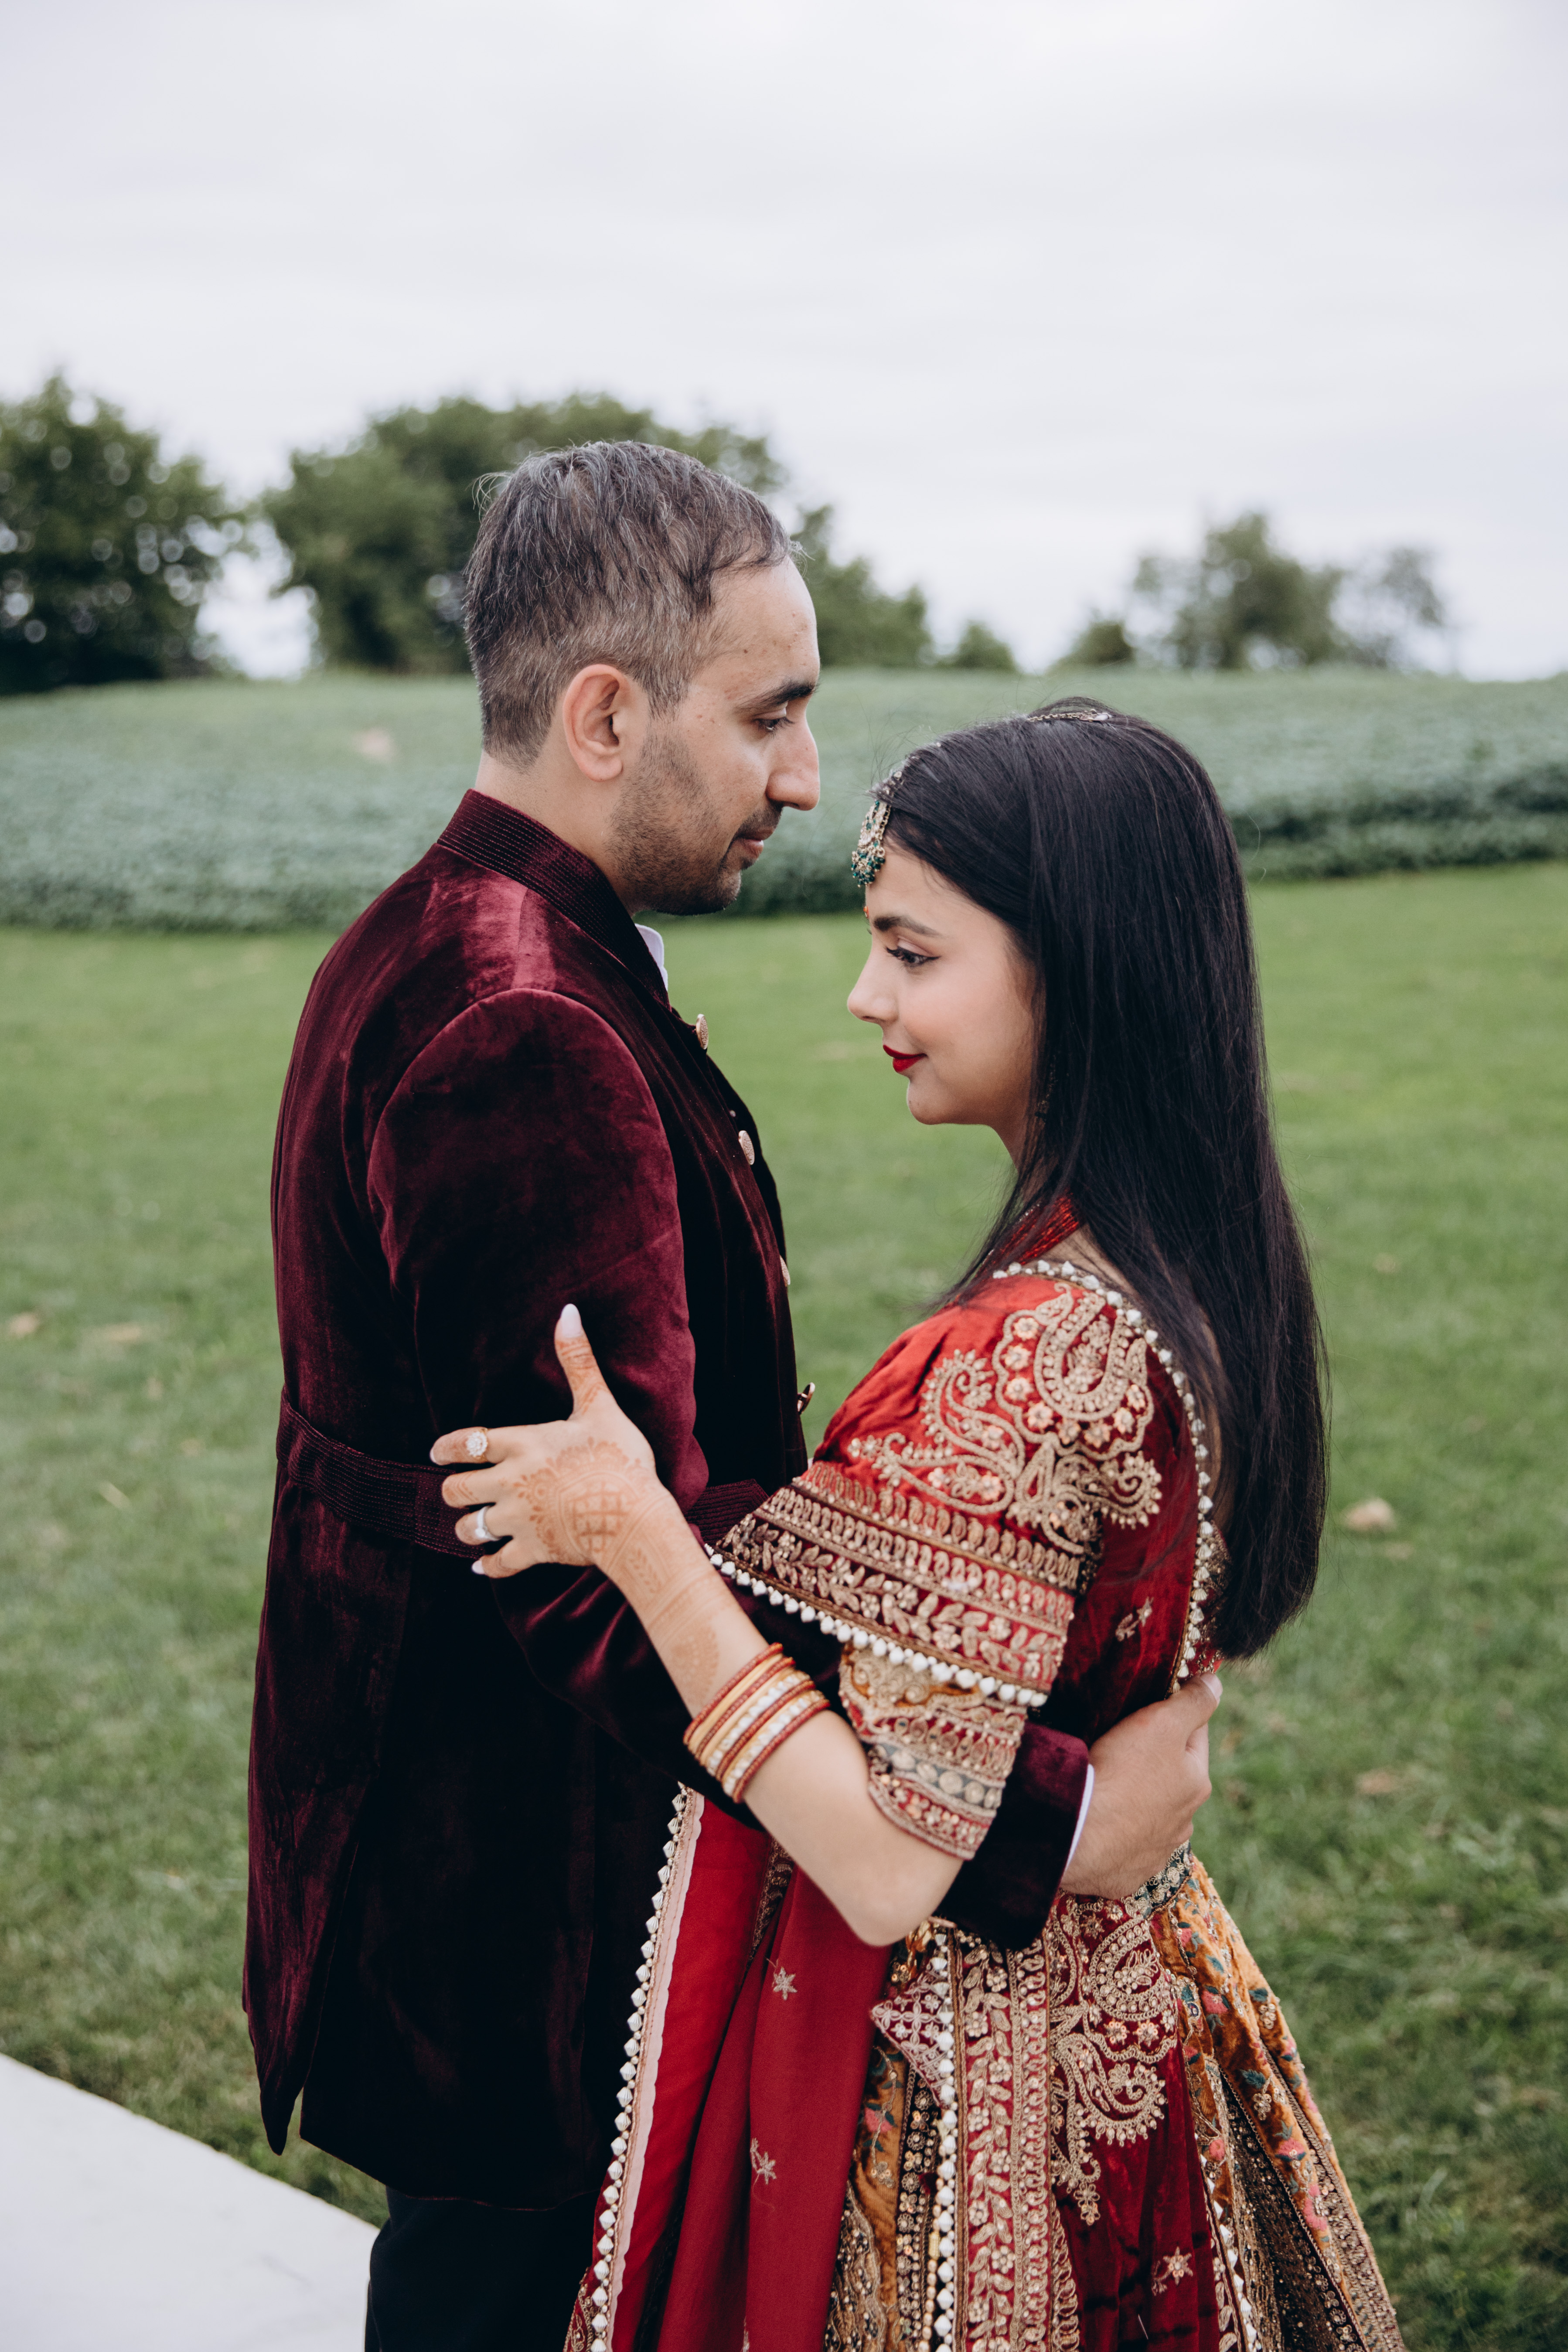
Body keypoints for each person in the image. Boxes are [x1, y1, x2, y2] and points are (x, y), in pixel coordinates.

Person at [246, 447, 1216, 2352]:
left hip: (464, 1864)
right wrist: (1037, 1813)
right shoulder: (522, 1017)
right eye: (771, 714)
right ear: (607, 716)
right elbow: (600, 1561)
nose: (802, 773)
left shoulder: (454, 931)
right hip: (533, 1915)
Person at [436, 703, 1408, 2352]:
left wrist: (636, 1532)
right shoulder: (1194, 1267)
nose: (864, 995)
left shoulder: (1016, 1364)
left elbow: (887, 1864)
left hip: (970, 2083)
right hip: (1135, 1984)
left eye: (911, 951)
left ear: (1073, 970)